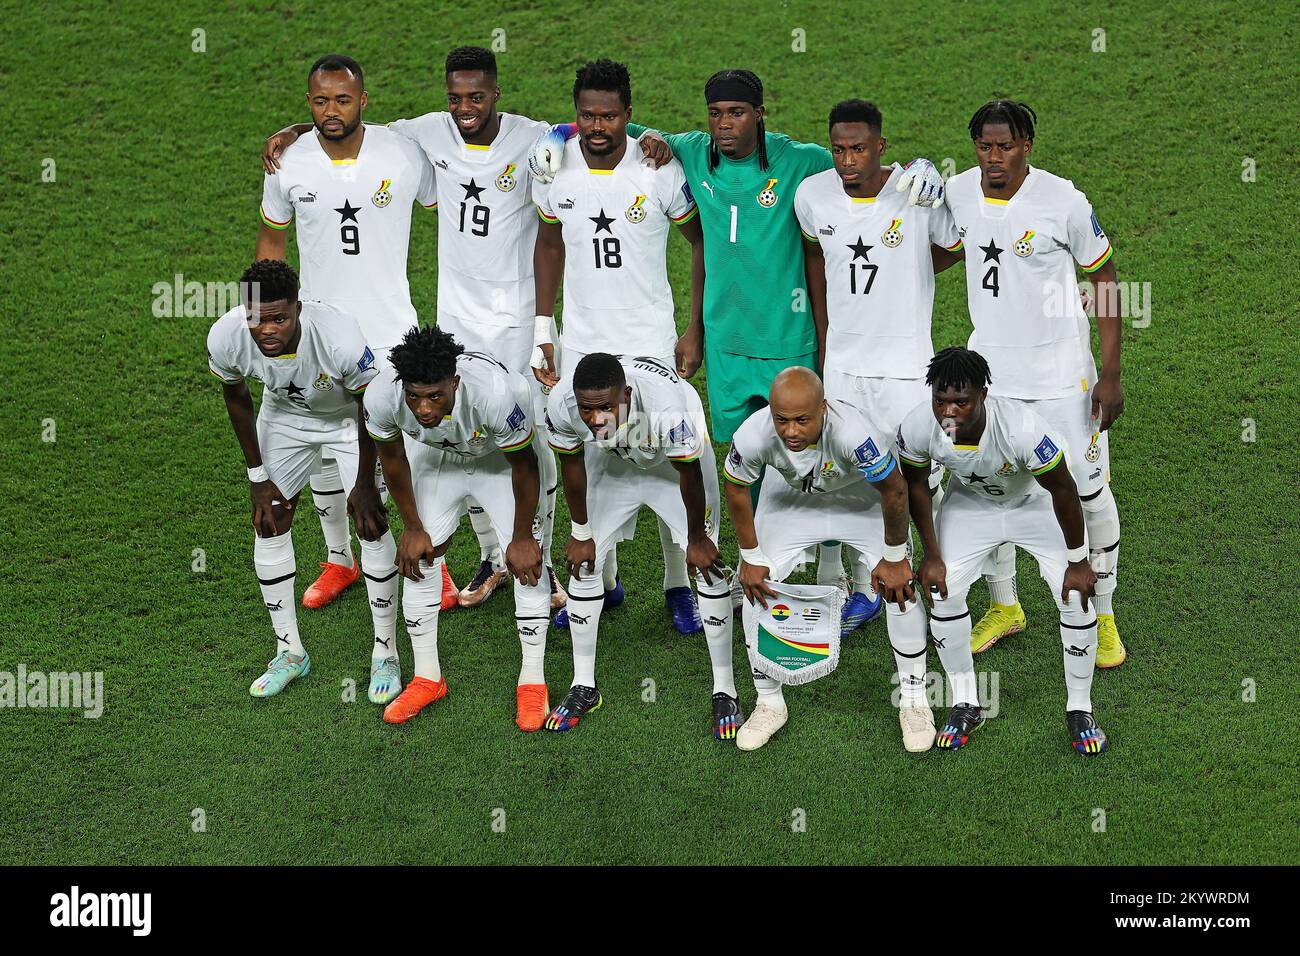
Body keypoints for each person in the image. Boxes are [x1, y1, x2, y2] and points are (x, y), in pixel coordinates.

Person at [253, 54, 458, 624]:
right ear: (308, 103)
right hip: (317, 334)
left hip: (391, 329)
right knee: (324, 440)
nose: (331, 111)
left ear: (363, 100)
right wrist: (265, 319)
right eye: (319, 102)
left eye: (342, 100)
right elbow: (271, 242)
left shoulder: (401, 152)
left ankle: (434, 566)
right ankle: (339, 559)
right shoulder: (288, 161)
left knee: (407, 450)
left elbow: (451, 199)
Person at [937, 101, 1125, 667]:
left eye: (1007, 146)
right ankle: (1005, 605)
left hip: (1062, 375)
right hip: (991, 373)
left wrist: (1110, 373)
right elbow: (941, 254)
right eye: (985, 147)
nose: (995, 158)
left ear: (1028, 146)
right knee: (992, 485)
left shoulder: (1062, 201)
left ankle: (1106, 613)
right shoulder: (959, 192)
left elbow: (1105, 275)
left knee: (1088, 494)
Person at [531, 59, 708, 635]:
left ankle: (678, 583)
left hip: (650, 338)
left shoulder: (657, 169)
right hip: (583, 340)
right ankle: (601, 582)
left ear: (629, 115)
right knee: (590, 450)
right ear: (574, 115)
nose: (597, 126)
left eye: (609, 115)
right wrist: (544, 332)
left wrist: (693, 328)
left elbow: (699, 241)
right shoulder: (554, 167)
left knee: (665, 448)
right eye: (586, 116)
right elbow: (549, 246)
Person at [794, 98, 964, 636]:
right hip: (844, 364)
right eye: (839, 149)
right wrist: (824, 345)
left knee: (919, 477)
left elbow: (955, 247)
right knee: (846, 474)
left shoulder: (916, 194)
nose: (848, 160)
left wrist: (909, 268)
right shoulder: (812, 195)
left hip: (905, 365)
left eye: (859, 149)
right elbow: (816, 261)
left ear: (880, 147)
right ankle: (869, 583)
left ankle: (934, 571)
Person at [897, 348, 1107, 755]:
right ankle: (965, 702)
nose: (949, 412)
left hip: (1033, 503)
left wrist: (1079, 561)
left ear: (984, 394)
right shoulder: (918, 426)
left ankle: (1080, 708)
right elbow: (917, 485)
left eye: (962, 401)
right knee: (942, 590)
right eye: (941, 400)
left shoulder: (1022, 430)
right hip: (971, 505)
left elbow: (1063, 490)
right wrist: (931, 553)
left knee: (1077, 593)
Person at [208, 259, 393, 700]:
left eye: (278, 318)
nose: (266, 329)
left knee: (372, 526)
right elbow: (237, 398)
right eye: (256, 318)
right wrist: (257, 476)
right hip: (286, 416)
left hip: (350, 421)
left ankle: (385, 652)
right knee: (268, 519)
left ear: (298, 308)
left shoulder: (339, 339)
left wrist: (365, 483)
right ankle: (290, 652)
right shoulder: (226, 337)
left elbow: (372, 407)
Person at [723, 367, 932, 752]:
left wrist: (894, 557)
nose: (790, 431)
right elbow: (736, 488)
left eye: (802, 420)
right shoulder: (753, 434)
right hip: (792, 501)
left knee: (900, 590)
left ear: (823, 408)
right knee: (756, 587)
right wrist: (750, 557)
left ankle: (915, 699)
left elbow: (894, 491)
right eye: (781, 419)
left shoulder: (855, 433)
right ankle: (769, 702)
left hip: (860, 501)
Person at [363, 327, 552, 731]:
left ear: (455, 382)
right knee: (418, 557)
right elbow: (393, 459)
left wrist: (520, 538)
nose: (424, 408)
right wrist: (412, 526)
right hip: (441, 460)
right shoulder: (381, 396)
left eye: (435, 395)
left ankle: (532, 681)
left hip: (501, 462)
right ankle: (428, 677)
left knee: (528, 564)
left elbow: (525, 465)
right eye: (414, 396)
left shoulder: (496, 396)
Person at [545, 353, 738, 739]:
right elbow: (571, 464)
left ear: (627, 393)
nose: (597, 418)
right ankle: (584, 685)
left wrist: (698, 539)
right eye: (588, 409)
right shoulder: (561, 403)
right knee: (585, 563)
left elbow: (689, 473)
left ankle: (725, 689)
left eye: (606, 407)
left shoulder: (669, 409)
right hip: (614, 465)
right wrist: (580, 531)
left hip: (673, 466)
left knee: (708, 567)